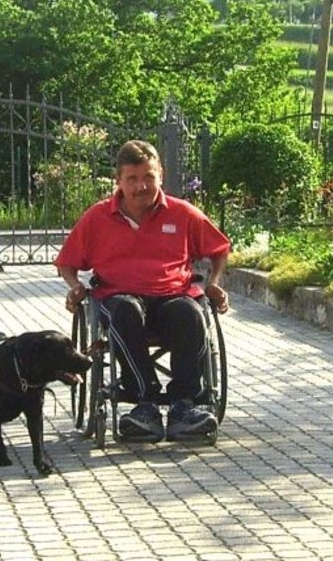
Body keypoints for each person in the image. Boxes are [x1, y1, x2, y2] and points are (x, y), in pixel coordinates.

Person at [55, 139, 230, 442]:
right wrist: (75, 287)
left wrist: (214, 283)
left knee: (191, 312)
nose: (141, 186)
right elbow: (66, 263)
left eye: (149, 176)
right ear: (119, 180)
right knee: (125, 310)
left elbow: (219, 249)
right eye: (132, 179)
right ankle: (143, 402)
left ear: (160, 174)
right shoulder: (97, 217)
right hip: (120, 296)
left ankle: (184, 404)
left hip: (172, 295)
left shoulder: (183, 213)